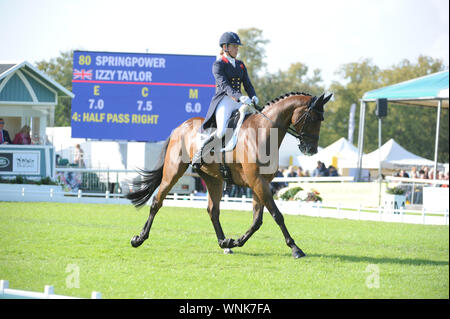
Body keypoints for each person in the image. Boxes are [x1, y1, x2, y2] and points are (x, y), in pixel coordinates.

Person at [192, 32, 259, 168]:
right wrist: (240, 96)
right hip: (224, 100)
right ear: (225, 47)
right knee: (222, 131)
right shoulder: (218, 65)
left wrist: (253, 95)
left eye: (237, 47)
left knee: (251, 125)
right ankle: (200, 153)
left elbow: (247, 84)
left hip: (240, 102)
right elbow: (225, 85)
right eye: (234, 46)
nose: (237, 49)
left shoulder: (240, 65)